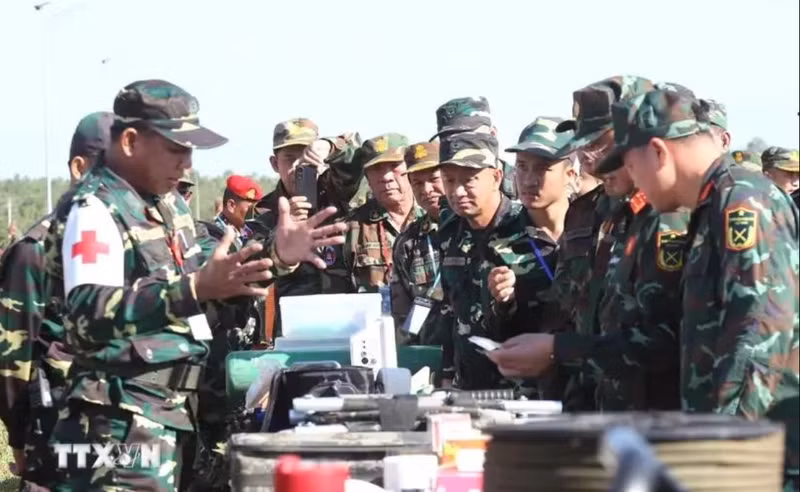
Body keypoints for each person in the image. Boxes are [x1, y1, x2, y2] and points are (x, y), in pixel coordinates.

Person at [45, 79, 348, 491]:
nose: (186, 164)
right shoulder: (95, 207)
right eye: (175, 149)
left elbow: (218, 278)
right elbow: (87, 313)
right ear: (131, 141)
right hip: (113, 421)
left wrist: (278, 256)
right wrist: (191, 290)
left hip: (171, 412)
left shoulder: (169, 207)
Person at [611, 88, 798, 490]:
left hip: (761, 458)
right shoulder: (711, 205)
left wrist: (723, 455)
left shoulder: (741, 201)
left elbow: (759, 332)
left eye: (631, 165)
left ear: (659, 153)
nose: (633, 181)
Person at [0, 111, 114, 491]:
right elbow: (13, 359)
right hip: (52, 423)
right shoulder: (34, 250)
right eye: (107, 170)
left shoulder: (120, 243)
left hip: (113, 421)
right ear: (79, 169)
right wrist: (19, 439)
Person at [546, 75, 655, 410]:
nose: (590, 160)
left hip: (651, 409)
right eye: (584, 147)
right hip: (592, 397)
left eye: (601, 145)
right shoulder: (595, 209)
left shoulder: (670, 216)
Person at [485, 117, 575, 398]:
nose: (528, 180)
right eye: (522, 167)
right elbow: (498, 332)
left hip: (592, 385)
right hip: (535, 393)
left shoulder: (597, 229)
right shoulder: (501, 241)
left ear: (570, 175)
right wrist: (503, 302)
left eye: (543, 168)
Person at [250, 118, 364, 337]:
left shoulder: (334, 193)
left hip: (346, 327)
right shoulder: (265, 214)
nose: (297, 166)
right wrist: (281, 236)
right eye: (289, 158)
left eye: (305, 157)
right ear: (275, 164)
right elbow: (252, 272)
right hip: (295, 333)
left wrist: (329, 146)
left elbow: (358, 155)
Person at [435, 131, 528, 390]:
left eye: (469, 179)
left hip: (521, 389)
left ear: (496, 177)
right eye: (449, 180)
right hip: (467, 387)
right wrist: (446, 374)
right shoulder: (450, 234)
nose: (457, 191)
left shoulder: (526, 228)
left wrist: (509, 299)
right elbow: (450, 311)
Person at [344, 134, 422, 293]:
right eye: (377, 169)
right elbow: (337, 298)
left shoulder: (436, 219)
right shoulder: (351, 229)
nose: (386, 177)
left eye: (394, 165)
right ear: (367, 178)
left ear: (410, 169)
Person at [390, 141, 446, 344]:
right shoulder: (409, 242)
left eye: (434, 179)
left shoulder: (476, 228)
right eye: (417, 183)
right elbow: (403, 314)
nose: (427, 189)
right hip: (430, 353)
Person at [207, 175, 264, 249]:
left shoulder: (254, 231)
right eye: (250, 208)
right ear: (231, 205)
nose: (253, 213)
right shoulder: (211, 234)